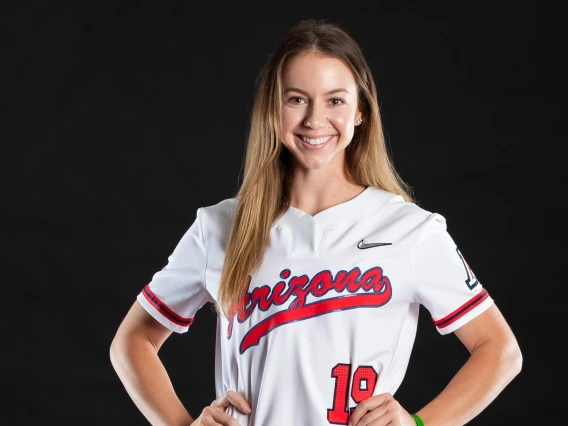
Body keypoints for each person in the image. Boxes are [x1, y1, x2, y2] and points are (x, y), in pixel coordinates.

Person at [110, 18, 522, 426]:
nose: (314, 119)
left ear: (360, 110)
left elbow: (499, 350)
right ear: (273, 109)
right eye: (296, 99)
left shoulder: (409, 231)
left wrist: (419, 424)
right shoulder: (221, 226)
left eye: (335, 100)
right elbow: (132, 340)